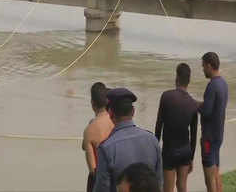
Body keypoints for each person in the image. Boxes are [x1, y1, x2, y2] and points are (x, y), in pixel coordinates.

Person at [93, 88, 162, 192]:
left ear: (110, 113)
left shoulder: (106, 148)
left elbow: (102, 189)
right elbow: (159, 182)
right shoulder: (152, 140)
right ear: (133, 111)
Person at [155, 63, 198, 192]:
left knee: (167, 188)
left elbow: (158, 125)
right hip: (185, 151)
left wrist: (155, 150)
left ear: (177, 77)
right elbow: (194, 135)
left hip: (169, 150)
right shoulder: (193, 103)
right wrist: (191, 158)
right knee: (182, 186)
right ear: (188, 81)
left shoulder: (166, 96)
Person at [199, 52, 228, 192]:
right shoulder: (223, 83)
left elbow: (206, 111)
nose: (203, 69)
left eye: (203, 66)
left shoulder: (212, 86)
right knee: (216, 170)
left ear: (209, 66)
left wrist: (195, 105)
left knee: (209, 175)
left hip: (208, 138)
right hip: (218, 135)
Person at [82, 82, 114, 192]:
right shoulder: (117, 121)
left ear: (92, 103)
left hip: (100, 180)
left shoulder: (89, 130)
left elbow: (93, 169)